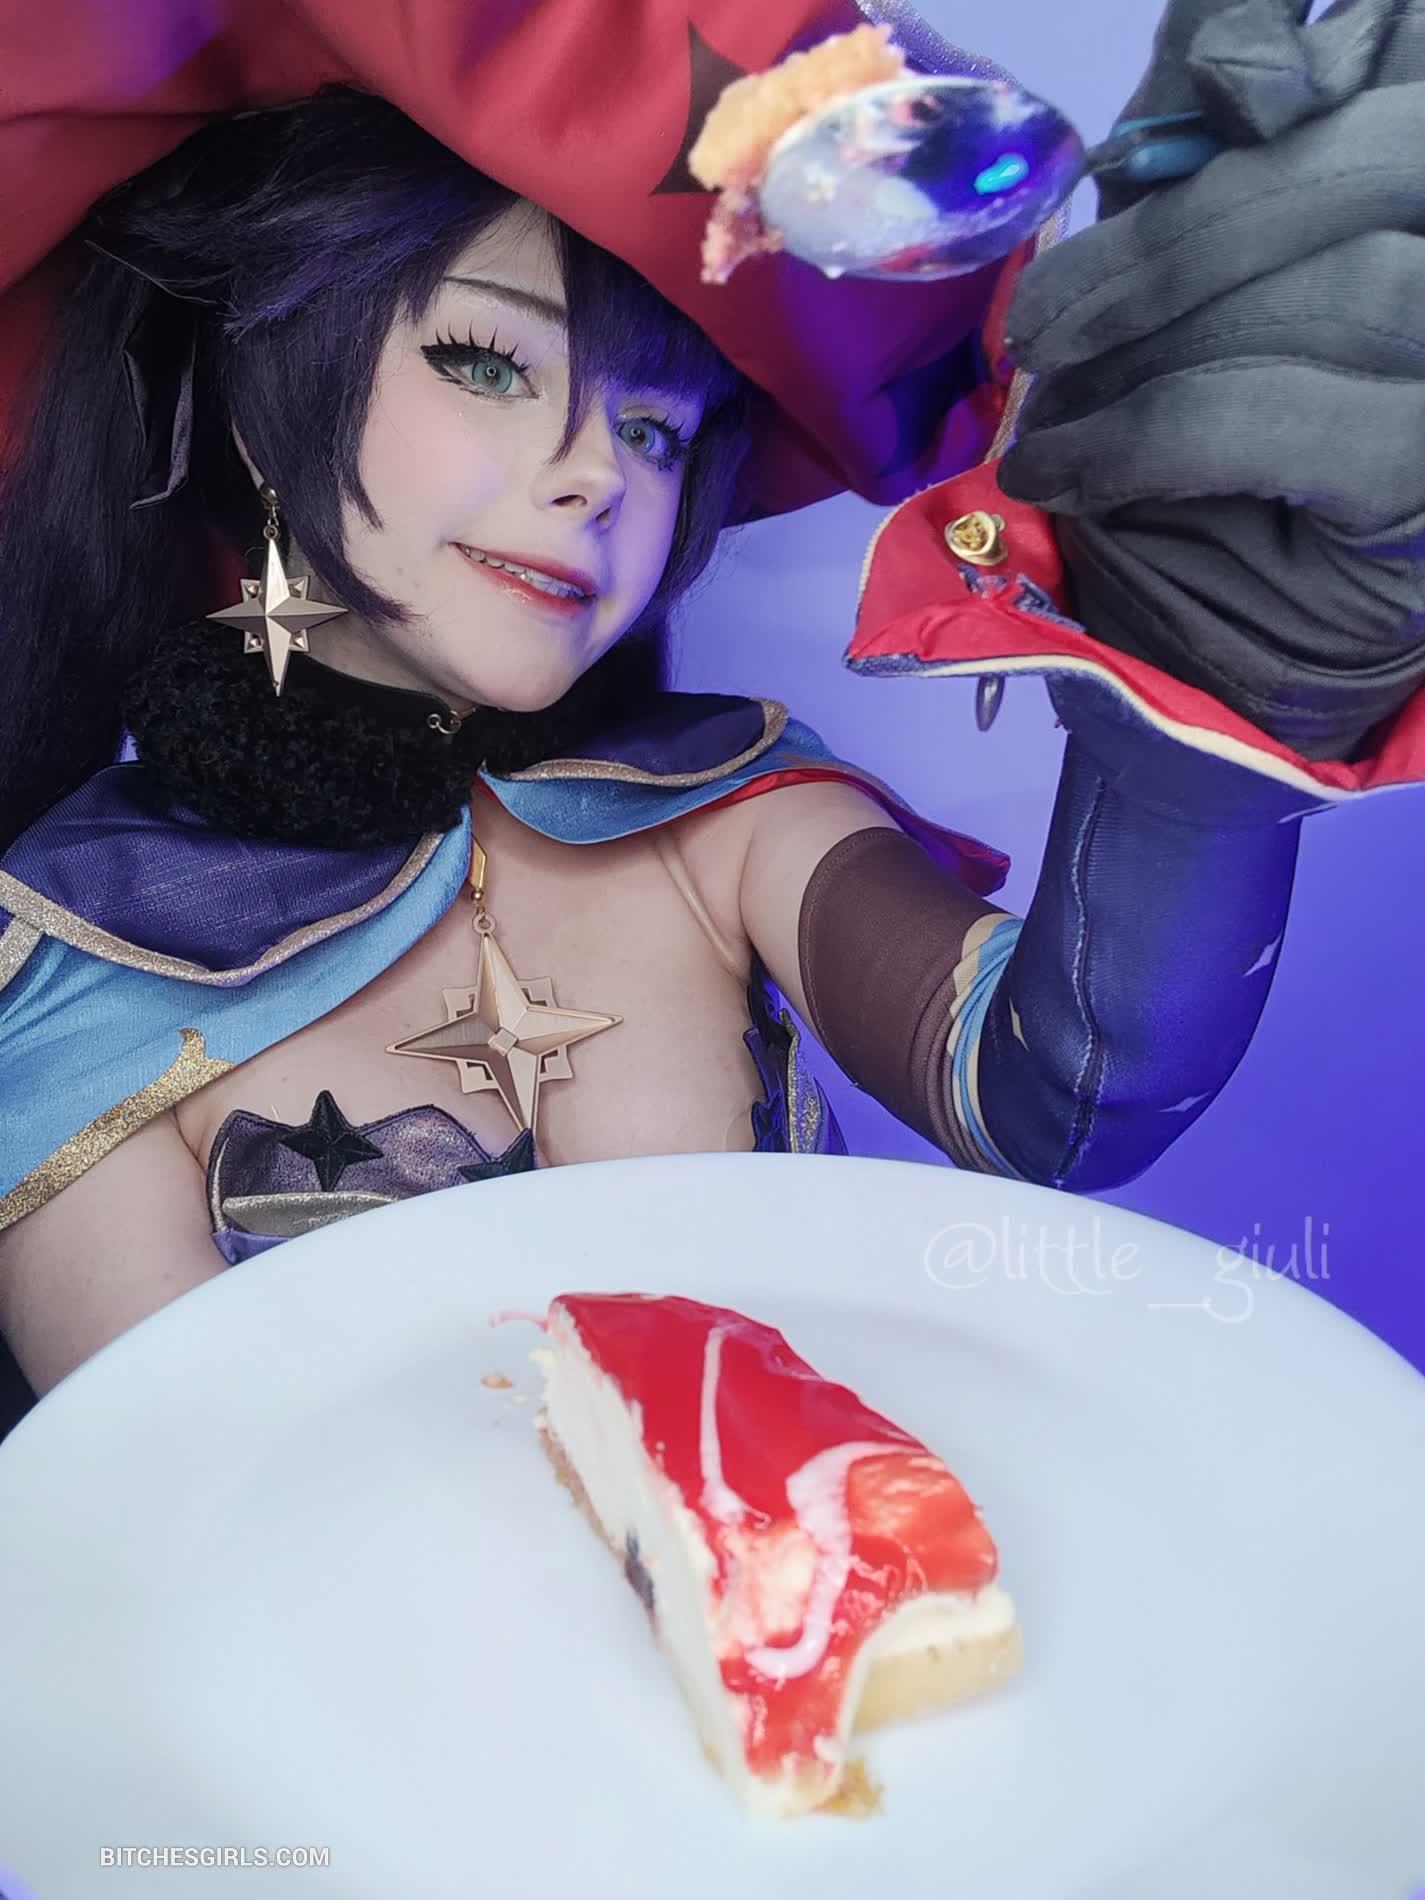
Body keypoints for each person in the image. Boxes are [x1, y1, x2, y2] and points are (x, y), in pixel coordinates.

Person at [0, 0, 1421, 1410]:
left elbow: (1069, 1095)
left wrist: (1215, 679)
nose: (598, 478)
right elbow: (157, 1490)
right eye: (488, 363)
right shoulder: (64, 947)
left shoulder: (723, 806)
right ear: (257, 391)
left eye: (655, 427)